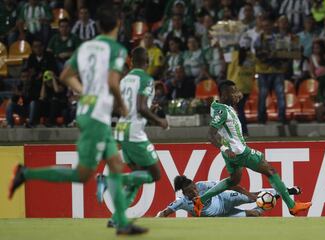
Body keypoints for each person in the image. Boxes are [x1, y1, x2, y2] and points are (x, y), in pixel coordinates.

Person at [8, 6, 147, 235]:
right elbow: (113, 82)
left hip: (88, 111)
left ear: (99, 26)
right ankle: (26, 173)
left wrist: (85, 92)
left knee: (113, 164)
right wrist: (122, 105)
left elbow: (65, 76)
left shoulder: (84, 47)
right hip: (96, 116)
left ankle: (121, 222)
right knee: (83, 174)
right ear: (118, 25)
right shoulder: (117, 49)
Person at [192, 80, 312, 217]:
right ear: (225, 95)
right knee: (271, 171)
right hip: (239, 152)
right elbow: (210, 135)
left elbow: (223, 120)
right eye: (233, 92)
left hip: (231, 152)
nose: (237, 94)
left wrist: (229, 145)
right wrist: (226, 149)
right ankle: (292, 206)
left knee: (233, 180)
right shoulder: (222, 111)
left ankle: (200, 201)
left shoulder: (218, 106)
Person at [97, 46, 169, 227]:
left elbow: (118, 107)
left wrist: (145, 111)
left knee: (138, 176)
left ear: (131, 61)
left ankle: (117, 218)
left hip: (121, 129)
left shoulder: (124, 80)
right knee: (154, 174)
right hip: (134, 132)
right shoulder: (146, 79)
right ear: (148, 61)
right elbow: (142, 107)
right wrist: (160, 121)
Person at [157, 175, 302, 217]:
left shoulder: (202, 185)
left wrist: (249, 195)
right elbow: (164, 213)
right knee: (255, 214)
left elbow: (229, 184)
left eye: (194, 188)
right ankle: (274, 198)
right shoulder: (181, 202)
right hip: (222, 216)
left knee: (256, 196)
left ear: (195, 185)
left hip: (224, 199)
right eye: (190, 192)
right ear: (184, 193)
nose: (194, 192)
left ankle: (287, 191)